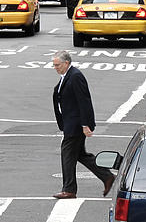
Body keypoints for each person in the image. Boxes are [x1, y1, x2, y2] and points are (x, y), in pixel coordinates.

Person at [50, 51, 115, 200]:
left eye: (57, 65)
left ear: (66, 63)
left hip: (76, 124)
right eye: (54, 65)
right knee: (80, 155)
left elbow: (84, 101)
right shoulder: (67, 76)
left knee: (67, 153)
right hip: (70, 123)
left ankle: (69, 189)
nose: (55, 68)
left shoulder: (75, 76)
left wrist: (86, 124)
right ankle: (107, 177)